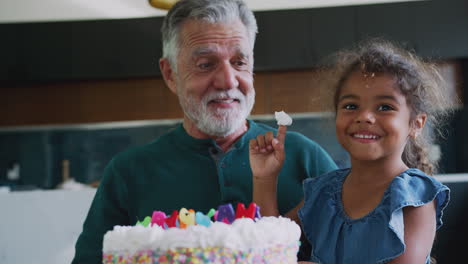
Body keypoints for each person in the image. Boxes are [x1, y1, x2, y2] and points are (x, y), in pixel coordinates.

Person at [71, 0, 337, 263]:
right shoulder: (128, 173)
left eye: (239, 61)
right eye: (205, 64)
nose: (228, 80)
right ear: (170, 74)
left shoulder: (305, 158)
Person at [250, 39, 454, 264]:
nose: (364, 116)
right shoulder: (323, 191)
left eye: (385, 107)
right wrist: (264, 179)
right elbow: (270, 245)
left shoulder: (416, 196)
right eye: (351, 106)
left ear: (416, 124)